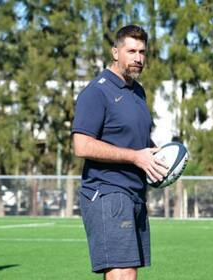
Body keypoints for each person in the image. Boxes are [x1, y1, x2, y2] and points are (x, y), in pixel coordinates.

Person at [72, 25, 168, 280]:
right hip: (107, 192)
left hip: (135, 194)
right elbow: (81, 145)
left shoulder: (138, 92)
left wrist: (155, 157)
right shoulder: (97, 91)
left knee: (128, 271)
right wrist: (136, 157)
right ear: (116, 52)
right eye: (131, 51)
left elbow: (139, 141)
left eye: (142, 52)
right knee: (123, 273)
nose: (138, 58)